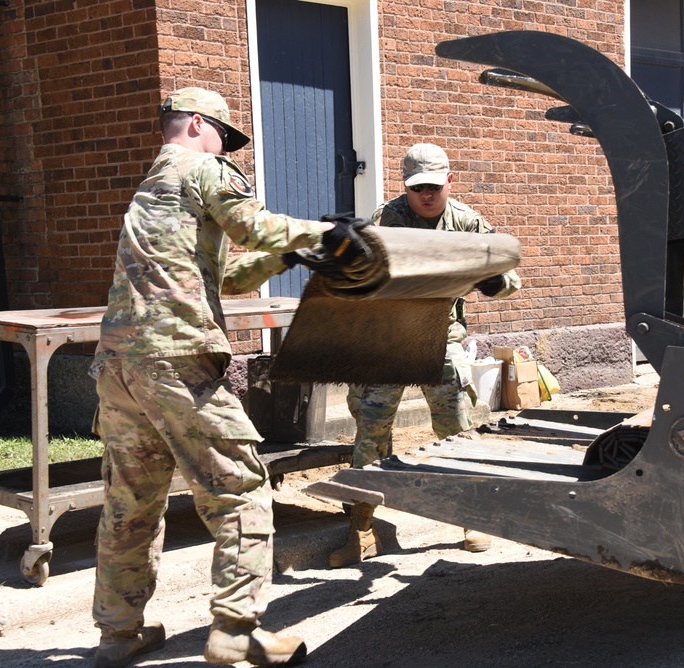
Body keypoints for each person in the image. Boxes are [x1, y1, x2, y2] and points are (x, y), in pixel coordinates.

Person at [89, 87, 363, 668]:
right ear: (195, 123)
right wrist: (329, 238)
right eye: (224, 135)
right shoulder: (204, 168)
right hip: (177, 361)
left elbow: (233, 276)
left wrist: (297, 255)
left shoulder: (153, 189)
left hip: (118, 366)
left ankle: (118, 635)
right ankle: (237, 627)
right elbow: (256, 228)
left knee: (130, 501)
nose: (229, 148)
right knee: (239, 489)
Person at [331, 143, 521, 568]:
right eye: (418, 188)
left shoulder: (468, 224)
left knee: (456, 424)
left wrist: (493, 282)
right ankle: (360, 526)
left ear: (450, 181)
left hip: (440, 335)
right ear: (405, 186)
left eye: (435, 186)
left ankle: (472, 516)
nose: (427, 196)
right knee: (372, 429)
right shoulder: (387, 219)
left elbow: (511, 278)